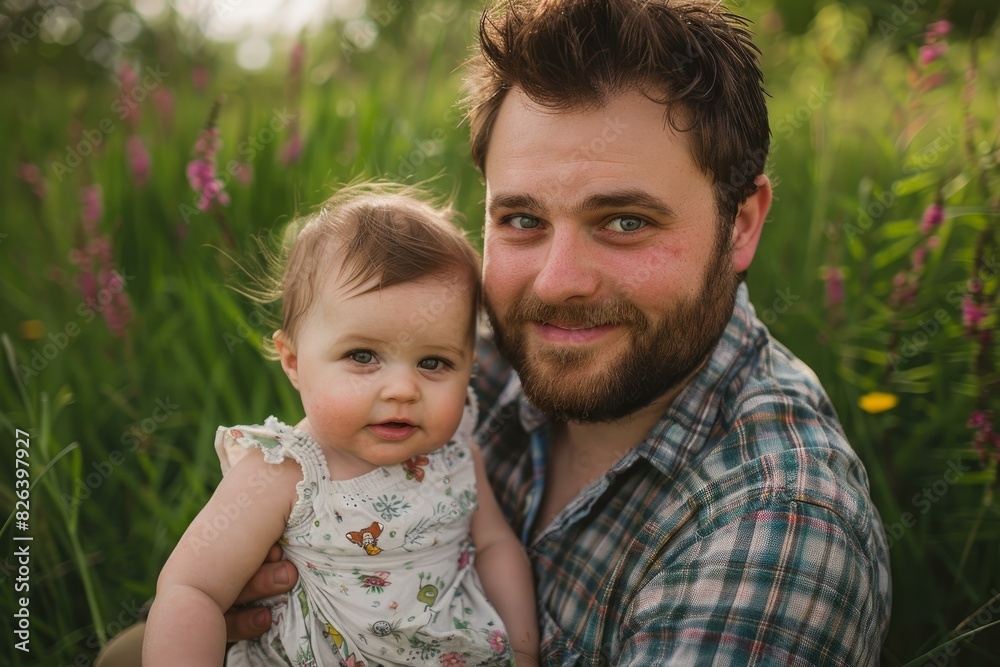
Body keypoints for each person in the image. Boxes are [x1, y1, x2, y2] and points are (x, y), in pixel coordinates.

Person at [100, 0, 892, 665]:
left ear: (742, 222)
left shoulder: (777, 526)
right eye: (520, 218)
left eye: (624, 220)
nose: (556, 282)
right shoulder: (464, 361)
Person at [141, 185, 539, 666]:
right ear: (292, 361)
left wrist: (523, 651)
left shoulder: (455, 448)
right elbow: (192, 588)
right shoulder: (285, 472)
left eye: (433, 362)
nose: (401, 389)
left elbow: (495, 545)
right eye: (363, 356)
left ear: (471, 365)